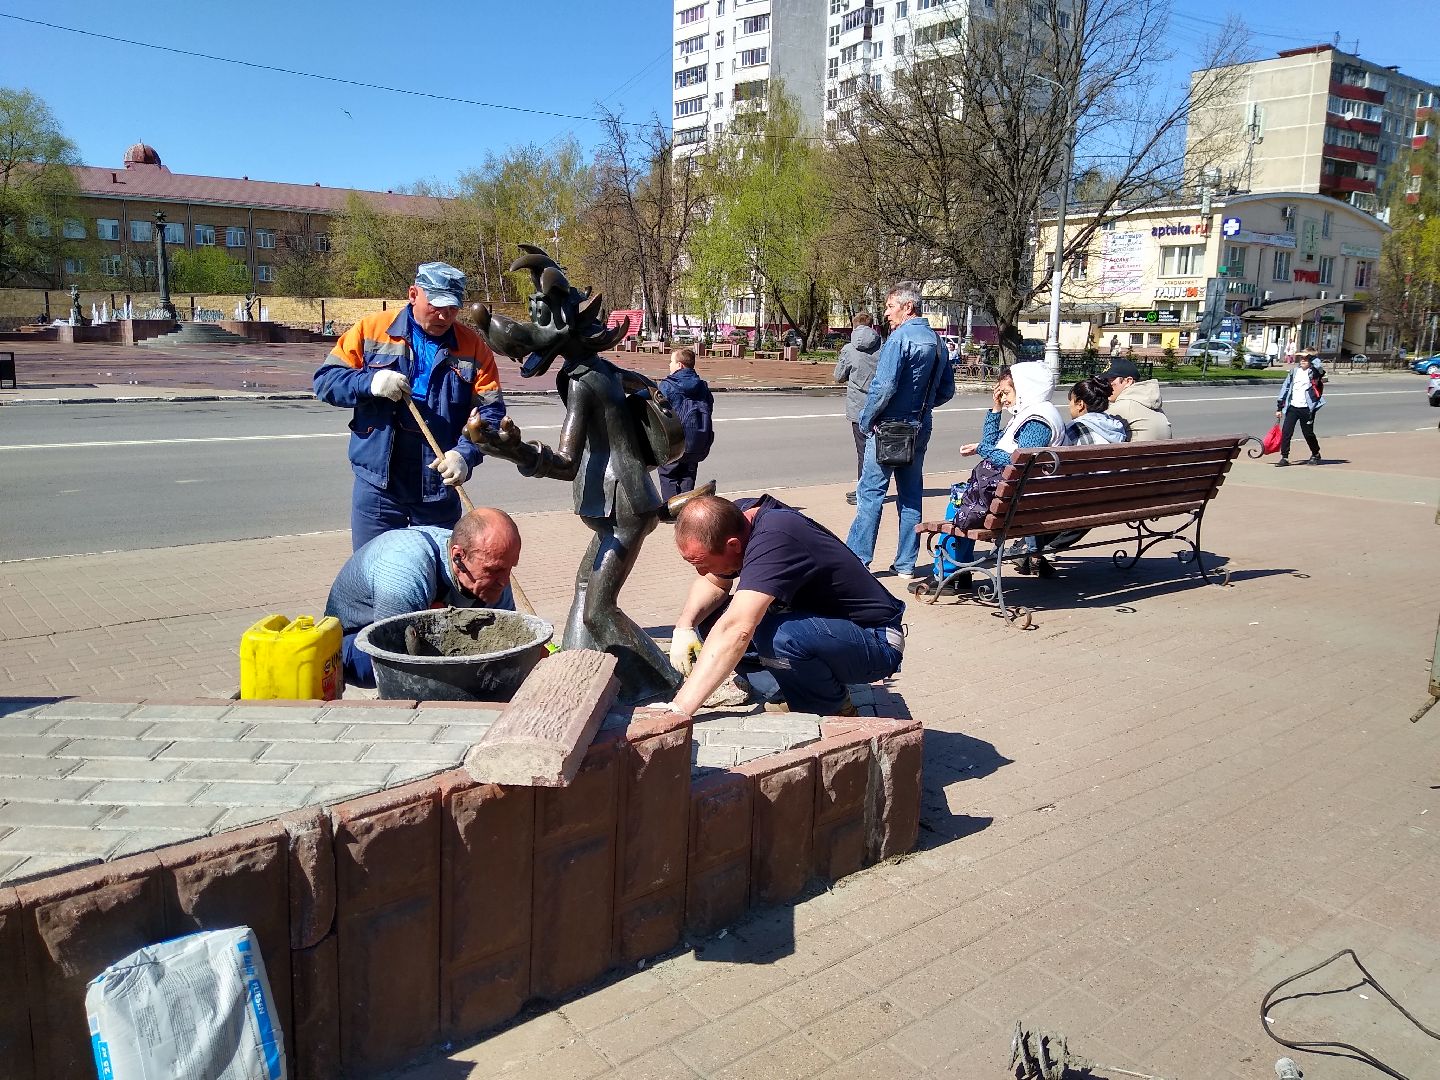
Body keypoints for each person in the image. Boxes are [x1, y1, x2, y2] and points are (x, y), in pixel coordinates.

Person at [314, 261, 506, 551]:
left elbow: (491, 412)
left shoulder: (473, 347)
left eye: (452, 308)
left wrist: (465, 455)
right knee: (373, 575)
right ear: (414, 294)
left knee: (436, 580)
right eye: (437, 305)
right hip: (379, 488)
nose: (444, 315)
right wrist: (371, 383)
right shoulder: (372, 330)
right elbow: (326, 382)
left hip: (438, 488)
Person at [665, 494, 905, 716]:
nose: (700, 571)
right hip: (826, 630)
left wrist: (679, 709)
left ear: (733, 545)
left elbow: (737, 628)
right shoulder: (736, 519)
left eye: (702, 563)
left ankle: (832, 710)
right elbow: (714, 584)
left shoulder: (775, 537)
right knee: (712, 618)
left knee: (778, 637)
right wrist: (683, 627)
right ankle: (789, 691)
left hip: (875, 640)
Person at [324, 507, 520, 689]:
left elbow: (510, 640)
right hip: (354, 641)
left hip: (420, 616)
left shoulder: (494, 567)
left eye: (509, 568)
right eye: (493, 570)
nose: (503, 581)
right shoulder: (404, 570)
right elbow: (396, 658)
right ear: (458, 556)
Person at [845, 282, 956, 579]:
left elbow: (883, 387)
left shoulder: (899, 340)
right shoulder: (938, 341)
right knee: (910, 495)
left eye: (890, 306)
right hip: (920, 426)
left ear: (908, 307)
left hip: (889, 428)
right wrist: (924, 407)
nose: (886, 313)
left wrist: (867, 420)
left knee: (870, 493)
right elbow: (947, 390)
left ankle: (858, 560)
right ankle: (906, 563)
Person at [944, 363, 1063, 579]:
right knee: (962, 500)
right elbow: (992, 446)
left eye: (1006, 392)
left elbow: (1017, 461)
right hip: (1017, 498)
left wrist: (982, 449)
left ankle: (950, 576)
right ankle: (957, 575)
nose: (1004, 398)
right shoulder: (1030, 414)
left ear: (1026, 389)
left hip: (1014, 504)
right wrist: (996, 409)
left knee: (956, 505)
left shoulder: (1037, 421)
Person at [832, 313, 882, 506]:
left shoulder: (848, 349)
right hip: (879, 406)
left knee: (863, 451)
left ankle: (863, 490)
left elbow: (838, 376)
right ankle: (872, 488)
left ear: (854, 327)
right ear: (872, 327)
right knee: (879, 450)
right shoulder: (883, 348)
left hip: (857, 408)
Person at [657, 347, 715, 501]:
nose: (669, 365)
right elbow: (709, 406)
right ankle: (686, 510)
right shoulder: (702, 385)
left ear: (680, 365)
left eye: (671, 362)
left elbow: (658, 411)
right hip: (698, 440)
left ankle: (671, 510)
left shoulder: (667, 385)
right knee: (688, 474)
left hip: (675, 440)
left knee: (668, 473)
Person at [1098, 356, 1172, 441]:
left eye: (1109, 381)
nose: (1105, 385)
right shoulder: (1149, 402)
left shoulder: (1123, 407)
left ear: (1128, 381)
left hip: (1136, 454)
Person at [1273, 352, 1325, 466]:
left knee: (1308, 433)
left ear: (1310, 361)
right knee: (1286, 432)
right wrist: (1279, 407)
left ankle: (1315, 453)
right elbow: (1285, 388)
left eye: (1306, 360)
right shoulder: (1294, 372)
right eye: (1301, 359)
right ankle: (1284, 457)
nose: (1303, 361)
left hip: (1307, 408)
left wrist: (1311, 356)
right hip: (1293, 407)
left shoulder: (1314, 373)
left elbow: (1320, 368)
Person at [1061, 376, 1131, 445]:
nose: (1069, 405)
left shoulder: (1075, 429)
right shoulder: (1117, 427)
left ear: (1080, 404)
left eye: (1071, 401)